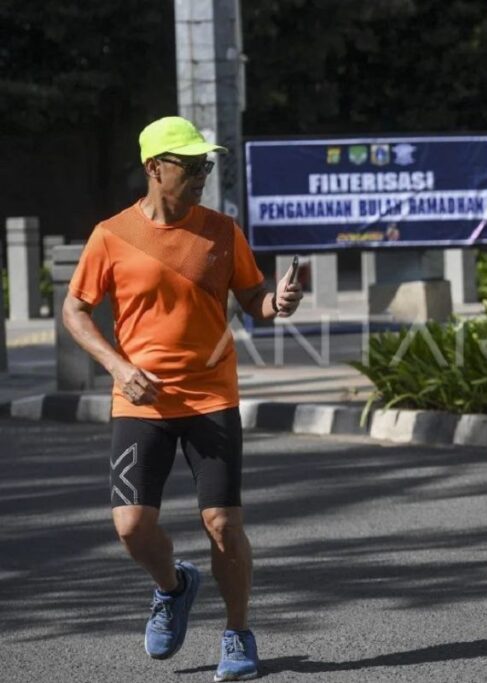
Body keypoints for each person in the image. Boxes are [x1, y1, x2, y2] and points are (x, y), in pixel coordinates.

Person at [63, 116, 303, 681]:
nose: (202, 176)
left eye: (206, 166)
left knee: (222, 522)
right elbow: (75, 310)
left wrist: (279, 302)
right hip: (140, 402)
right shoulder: (111, 235)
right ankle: (173, 587)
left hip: (211, 399)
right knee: (130, 527)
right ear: (154, 168)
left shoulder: (223, 232)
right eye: (191, 166)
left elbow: (254, 300)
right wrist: (118, 366)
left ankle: (238, 633)